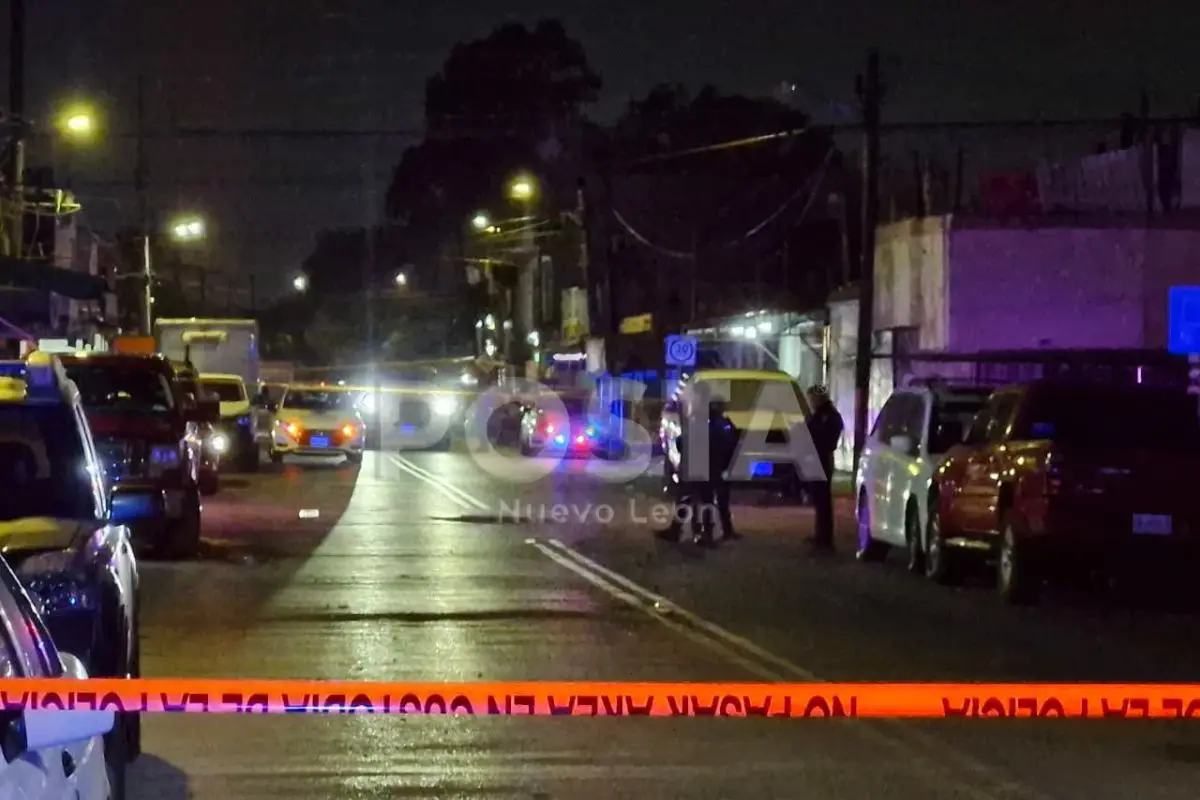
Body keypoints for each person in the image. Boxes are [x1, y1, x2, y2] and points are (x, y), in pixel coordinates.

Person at [657, 393, 739, 547]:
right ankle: (705, 533)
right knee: (705, 501)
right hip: (711, 469)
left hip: (701, 468)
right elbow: (731, 445)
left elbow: (682, 442)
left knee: (690, 499)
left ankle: (682, 531)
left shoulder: (704, 424)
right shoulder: (722, 425)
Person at [804, 384, 844, 551]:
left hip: (822, 460)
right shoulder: (819, 415)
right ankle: (820, 535)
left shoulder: (829, 416)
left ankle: (825, 539)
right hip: (816, 459)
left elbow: (827, 437)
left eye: (812, 398)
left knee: (823, 501)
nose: (811, 402)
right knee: (819, 500)